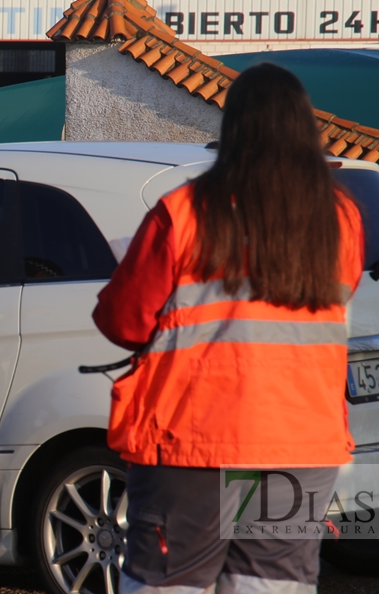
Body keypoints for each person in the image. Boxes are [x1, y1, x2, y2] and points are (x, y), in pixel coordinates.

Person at [92, 64, 364, 594]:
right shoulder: (341, 219)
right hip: (299, 445)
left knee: (168, 585)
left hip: (194, 443)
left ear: (234, 128)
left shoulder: (184, 212)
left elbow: (123, 322)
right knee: (272, 587)